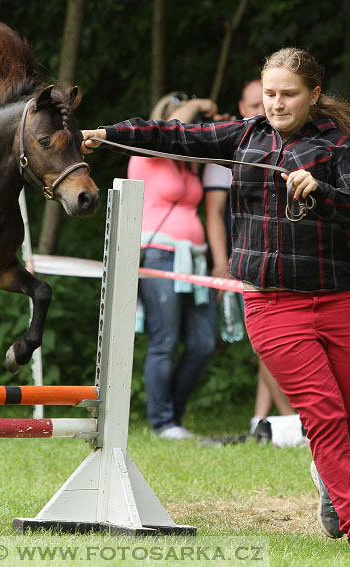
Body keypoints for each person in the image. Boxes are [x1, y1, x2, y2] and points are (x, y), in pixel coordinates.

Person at [83, 47, 350, 552]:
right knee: (325, 413)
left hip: (342, 299)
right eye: (269, 93)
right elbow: (174, 136)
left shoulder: (337, 146)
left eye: (289, 94)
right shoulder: (244, 135)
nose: (276, 103)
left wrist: (320, 191)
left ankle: (330, 475)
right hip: (271, 305)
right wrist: (110, 134)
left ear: (314, 95)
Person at [203, 79, 294, 438]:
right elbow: (214, 215)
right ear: (242, 108)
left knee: (269, 342)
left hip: (280, 260)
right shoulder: (225, 152)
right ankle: (291, 421)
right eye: (255, 104)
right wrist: (222, 264)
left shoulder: (289, 145)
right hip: (243, 262)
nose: (263, 110)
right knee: (267, 343)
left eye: (268, 101)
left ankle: (261, 419)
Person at [128, 92, 219, 440]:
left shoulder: (187, 164)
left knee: (202, 343)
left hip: (193, 258)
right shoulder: (146, 153)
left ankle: (174, 418)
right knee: (165, 340)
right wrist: (200, 104)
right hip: (158, 256)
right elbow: (169, 130)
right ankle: (163, 422)